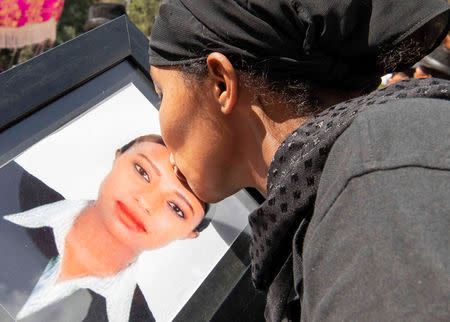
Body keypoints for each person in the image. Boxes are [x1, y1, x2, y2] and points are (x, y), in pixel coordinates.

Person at [148, 0, 450, 321]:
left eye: (161, 94)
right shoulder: (351, 176)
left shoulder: (377, 183)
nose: (159, 121)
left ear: (221, 83)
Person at [4, 134, 207, 321]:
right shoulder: (6, 179)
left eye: (176, 208)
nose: (146, 202)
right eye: (142, 172)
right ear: (118, 157)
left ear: (189, 233)